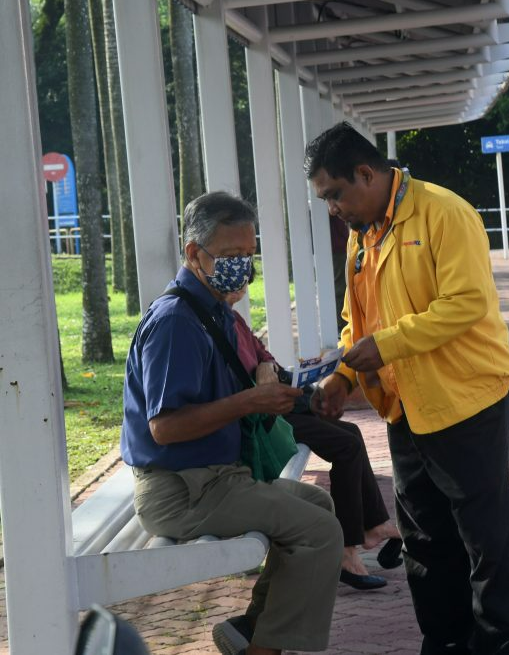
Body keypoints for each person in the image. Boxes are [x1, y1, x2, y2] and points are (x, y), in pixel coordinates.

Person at [305, 122, 509, 655]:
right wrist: (344, 375)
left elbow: (465, 302)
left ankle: (496, 647)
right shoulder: (363, 237)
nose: (334, 209)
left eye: (336, 194)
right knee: (425, 544)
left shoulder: (444, 212)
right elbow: (356, 322)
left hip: (466, 399)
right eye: (326, 200)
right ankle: (444, 644)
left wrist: (385, 346)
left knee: (486, 543)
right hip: (405, 410)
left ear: (366, 172)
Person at [120, 191, 343, 655]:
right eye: (229, 256)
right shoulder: (177, 322)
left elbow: (246, 364)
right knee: (318, 535)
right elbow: (164, 428)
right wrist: (249, 401)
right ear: (193, 254)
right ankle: (264, 649)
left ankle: (250, 630)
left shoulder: (214, 309)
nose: (241, 266)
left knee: (318, 509)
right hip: (182, 491)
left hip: (217, 480)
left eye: (248, 255)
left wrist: (265, 377)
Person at [223, 273, 403, 590]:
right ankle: (347, 551)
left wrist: (267, 367)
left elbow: (261, 355)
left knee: (351, 435)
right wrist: (265, 374)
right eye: (237, 283)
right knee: (345, 445)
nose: (241, 288)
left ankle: (373, 526)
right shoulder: (213, 325)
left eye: (244, 282)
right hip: (263, 418)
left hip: (278, 405)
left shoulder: (231, 317)